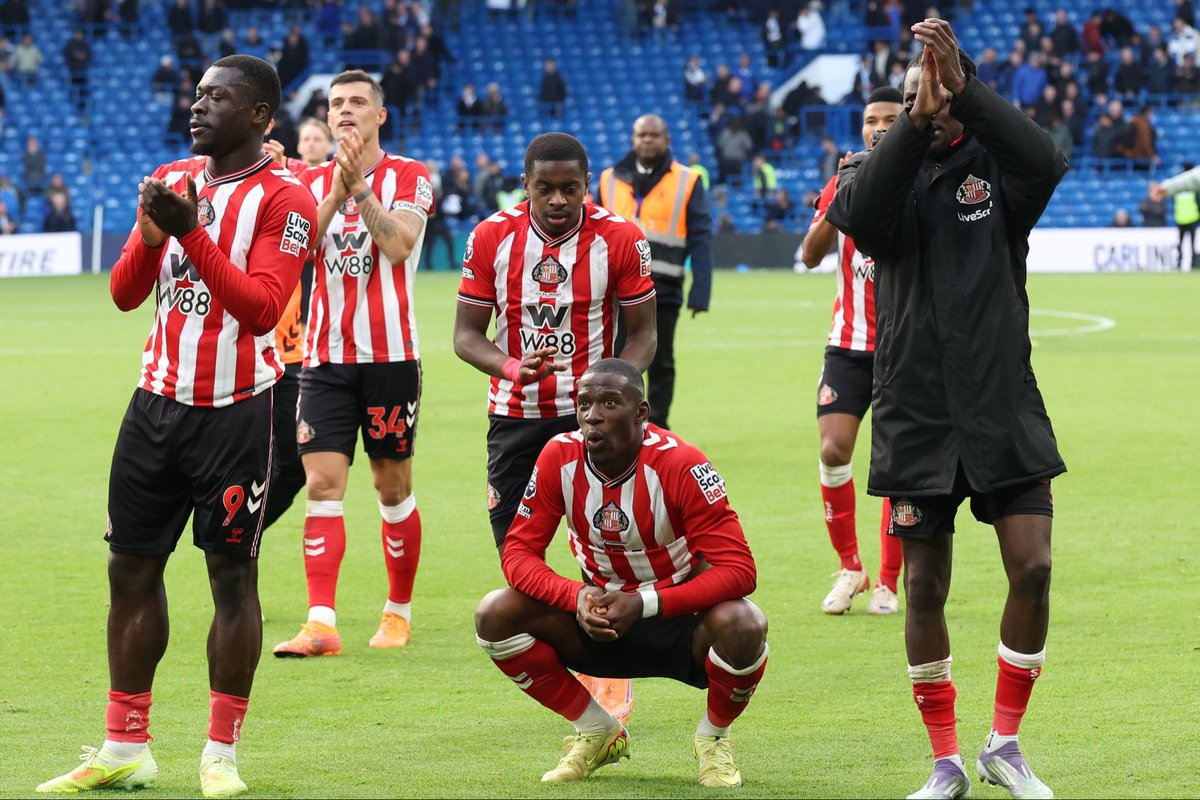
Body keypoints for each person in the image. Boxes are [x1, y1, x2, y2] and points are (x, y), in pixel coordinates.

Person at [36, 55, 316, 798]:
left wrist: (191, 233)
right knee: (129, 569)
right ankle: (125, 745)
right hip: (153, 405)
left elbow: (260, 310)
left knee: (232, 577)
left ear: (259, 116)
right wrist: (154, 231)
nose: (197, 106)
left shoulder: (286, 200)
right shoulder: (172, 174)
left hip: (236, 412)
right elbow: (126, 292)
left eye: (217, 96)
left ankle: (220, 754)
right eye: (196, 94)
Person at [826, 20, 1066, 799]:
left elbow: (1048, 158)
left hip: (1002, 406)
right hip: (917, 416)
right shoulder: (875, 178)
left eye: (935, 92)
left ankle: (1005, 743)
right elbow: (856, 217)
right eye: (910, 99)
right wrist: (917, 119)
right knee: (924, 589)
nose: (924, 103)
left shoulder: (996, 175)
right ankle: (947, 760)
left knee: (1033, 567)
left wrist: (967, 88)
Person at [474, 359, 768, 788]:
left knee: (745, 623)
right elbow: (518, 552)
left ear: (641, 413)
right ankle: (597, 730)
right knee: (494, 613)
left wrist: (646, 603)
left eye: (609, 403)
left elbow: (740, 570)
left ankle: (713, 740)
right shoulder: (559, 456)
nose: (593, 415)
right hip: (599, 618)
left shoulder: (682, 464)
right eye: (584, 403)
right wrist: (575, 596)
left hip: (678, 623)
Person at [453, 132, 658, 721]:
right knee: (518, 560)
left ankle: (609, 674)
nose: (559, 200)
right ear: (526, 186)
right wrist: (513, 366)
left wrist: (615, 386)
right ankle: (582, 676)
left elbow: (643, 333)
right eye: (546, 188)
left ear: (586, 184)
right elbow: (467, 336)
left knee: (610, 545)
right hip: (515, 418)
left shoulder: (620, 237)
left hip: (596, 422)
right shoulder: (491, 235)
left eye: (571, 188)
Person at [269, 71, 433, 659]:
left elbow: (398, 244)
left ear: (379, 116)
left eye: (357, 102)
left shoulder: (411, 176)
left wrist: (359, 188)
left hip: (391, 357)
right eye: (336, 103)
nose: (345, 111)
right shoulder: (308, 181)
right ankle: (321, 623)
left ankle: (397, 612)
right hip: (325, 360)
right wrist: (335, 190)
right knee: (321, 482)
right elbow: (294, 251)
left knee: (391, 487)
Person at [800, 85, 905, 617]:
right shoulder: (841, 179)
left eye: (891, 117)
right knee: (833, 450)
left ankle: (888, 581)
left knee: (896, 461)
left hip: (904, 345)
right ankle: (851, 568)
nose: (879, 126)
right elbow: (810, 255)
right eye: (870, 119)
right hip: (848, 343)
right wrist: (839, 200)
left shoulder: (919, 173)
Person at [598, 114, 713, 430]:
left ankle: (657, 427)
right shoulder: (608, 179)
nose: (647, 140)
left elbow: (701, 237)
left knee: (661, 361)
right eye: (641, 135)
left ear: (667, 140)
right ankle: (616, 423)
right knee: (616, 359)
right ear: (633, 139)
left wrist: (700, 290)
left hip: (664, 287)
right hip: (615, 290)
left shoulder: (688, 180)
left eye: (653, 135)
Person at [258, 117, 336, 536]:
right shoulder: (272, 183)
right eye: (305, 137)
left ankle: (237, 532)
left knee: (291, 462)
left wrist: (283, 169)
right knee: (248, 457)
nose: (310, 143)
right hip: (259, 346)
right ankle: (231, 537)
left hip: (301, 352)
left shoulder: (318, 187)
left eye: (316, 137)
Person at [1150, 161, 1200, 269]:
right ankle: (1183, 263)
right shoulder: (1190, 190)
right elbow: (1195, 179)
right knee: (1184, 244)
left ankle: (1188, 263)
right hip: (1184, 220)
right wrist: (1167, 188)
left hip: (1187, 219)